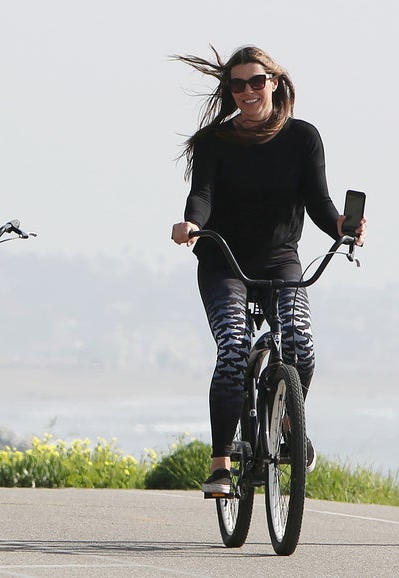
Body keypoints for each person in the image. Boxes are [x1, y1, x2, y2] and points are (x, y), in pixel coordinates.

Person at [170, 45, 366, 495]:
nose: (247, 92)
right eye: (237, 85)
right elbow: (202, 195)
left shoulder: (303, 137)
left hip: (280, 260)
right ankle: (221, 464)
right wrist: (192, 224)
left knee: (301, 345)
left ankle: (290, 424)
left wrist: (342, 226)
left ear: (274, 83)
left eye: (256, 82)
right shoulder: (213, 143)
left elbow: (319, 204)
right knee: (234, 350)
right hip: (224, 261)